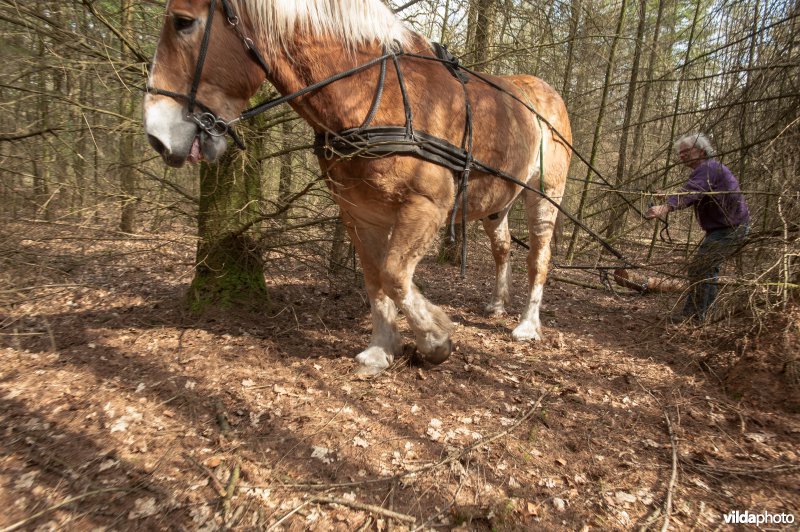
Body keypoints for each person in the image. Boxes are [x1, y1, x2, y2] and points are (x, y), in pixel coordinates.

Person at [645, 133, 750, 322]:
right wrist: (668, 198)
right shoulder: (708, 169)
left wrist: (665, 207)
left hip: (730, 228)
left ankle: (695, 317)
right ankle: (702, 315)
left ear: (701, 151)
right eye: (680, 153)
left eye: (686, 151)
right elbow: (693, 191)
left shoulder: (709, 167)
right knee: (705, 269)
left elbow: (691, 192)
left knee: (701, 268)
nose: (682, 156)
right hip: (726, 228)